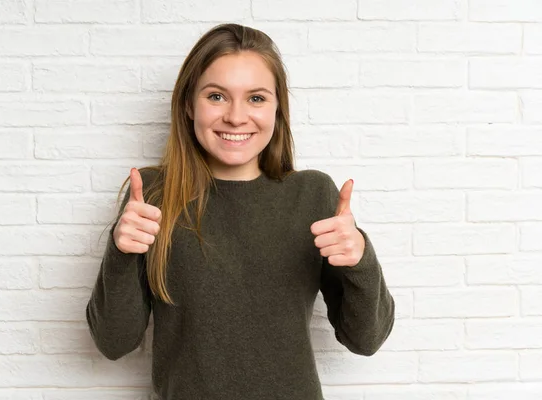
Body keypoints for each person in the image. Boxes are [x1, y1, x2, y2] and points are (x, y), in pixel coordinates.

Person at [86, 23, 395, 400]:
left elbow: (366, 339)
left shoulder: (312, 195)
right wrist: (121, 253)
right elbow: (113, 342)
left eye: (256, 98)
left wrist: (360, 259)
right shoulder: (152, 196)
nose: (235, 117)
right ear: (188, 103)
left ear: (277, 107)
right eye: (216, 96)